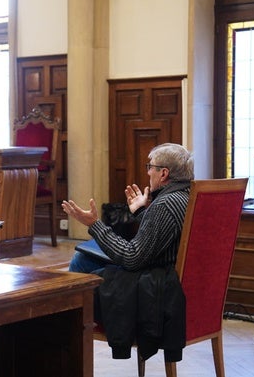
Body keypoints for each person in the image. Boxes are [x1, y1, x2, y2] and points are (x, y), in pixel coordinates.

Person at [61, 142, 194, 362]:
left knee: (81, 261)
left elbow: (132, 257)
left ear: (163, 173)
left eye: (150, 166)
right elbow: (160, 238)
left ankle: (74, 335)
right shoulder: (185, 195)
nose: (148, 171)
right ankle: (77, 326)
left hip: (156, 285)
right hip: (169, 279)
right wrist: (142, 211)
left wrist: (94, 225)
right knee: (85, 257)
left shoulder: (165, 205)